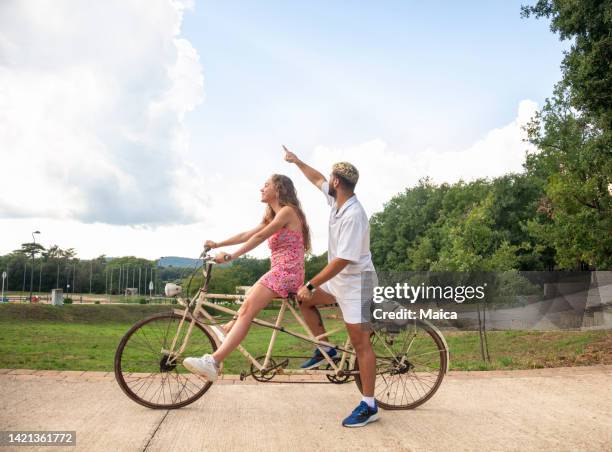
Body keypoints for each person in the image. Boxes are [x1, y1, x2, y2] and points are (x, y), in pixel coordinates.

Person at [283, 146, 379, 428]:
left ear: (337, 181)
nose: (326, 180)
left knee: (361, 345)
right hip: (341, 280)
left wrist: (312, 283)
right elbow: (315, 179)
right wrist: (297, 161)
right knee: (305, 300)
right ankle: (327, 350)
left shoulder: (353, 215)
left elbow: (343, 260)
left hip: (357, 285)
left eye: (330, 177)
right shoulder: (337, 200)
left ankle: (369, 405)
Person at [182, 174, 310, 381]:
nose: (261, 188)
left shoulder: (288, 212)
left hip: (287, 273)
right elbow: (247, 234)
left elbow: (259, 237)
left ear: (278, 189)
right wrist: (218, 244)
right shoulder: (274, 216)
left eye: (266, 185)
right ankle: (225, 331)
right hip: (280, 271)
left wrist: (232, 256)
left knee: (247, 310)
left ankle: (213, 361)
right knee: (248, 300)